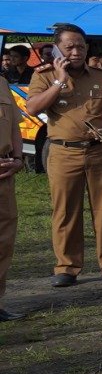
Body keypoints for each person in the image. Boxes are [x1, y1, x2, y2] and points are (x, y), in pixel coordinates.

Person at [24, 23, 102, 287]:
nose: (76, 52)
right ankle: (67, 267)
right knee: (65, 212)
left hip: (99, 152)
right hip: (63, 152)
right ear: (56, 49)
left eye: (81, 47)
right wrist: (59, 81)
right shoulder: (45, 75)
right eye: (69, 47)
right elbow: (32, 108)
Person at [0, 68, 21, 321]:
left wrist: (17, 158)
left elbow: (14, 124)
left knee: (3, 240)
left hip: (5, 173)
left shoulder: (2, 83)